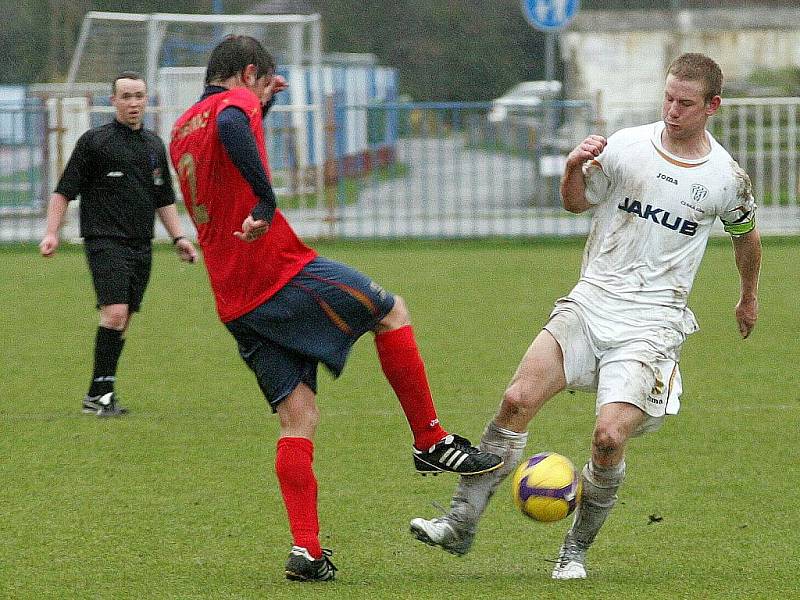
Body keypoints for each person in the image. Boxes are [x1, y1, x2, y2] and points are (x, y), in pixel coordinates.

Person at [410, 52, 762, 580]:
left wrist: (748, 296)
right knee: (515, 399)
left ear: (712, 105)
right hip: (591, 300)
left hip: (653, 322)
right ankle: (459, 523)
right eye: (668, 97)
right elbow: (576, 203)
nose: (672, 110)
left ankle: (573, 552)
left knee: (608, 439)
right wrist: (574, 166)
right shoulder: (626, 146)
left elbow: (747, 237)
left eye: (685, 103)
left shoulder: (725, 178)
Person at [168, 35, 502, 583]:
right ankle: (431, 441)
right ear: (250, 72)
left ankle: (307, 552)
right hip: (278, 271)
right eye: (263, 85)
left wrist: (263, 101)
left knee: (296, 418)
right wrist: (268, 198)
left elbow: (224, 140)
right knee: (391, 311)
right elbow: (234, 127)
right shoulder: (235, 107)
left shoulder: (184, 123)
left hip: (233, 297)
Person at [40, 71, 198, 417]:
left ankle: (100, 392)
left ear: (147, 101)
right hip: (104, 240)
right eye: (126, 96)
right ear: (112, 101)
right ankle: (101, 394)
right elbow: (63, 191)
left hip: (141, 243)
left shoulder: (155, 146)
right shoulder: (94, 142)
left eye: (139, 96)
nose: (133, 103)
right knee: (114, 313)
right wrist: (52, 231)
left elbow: (163, 198)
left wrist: (180, 238)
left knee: (124, 320)